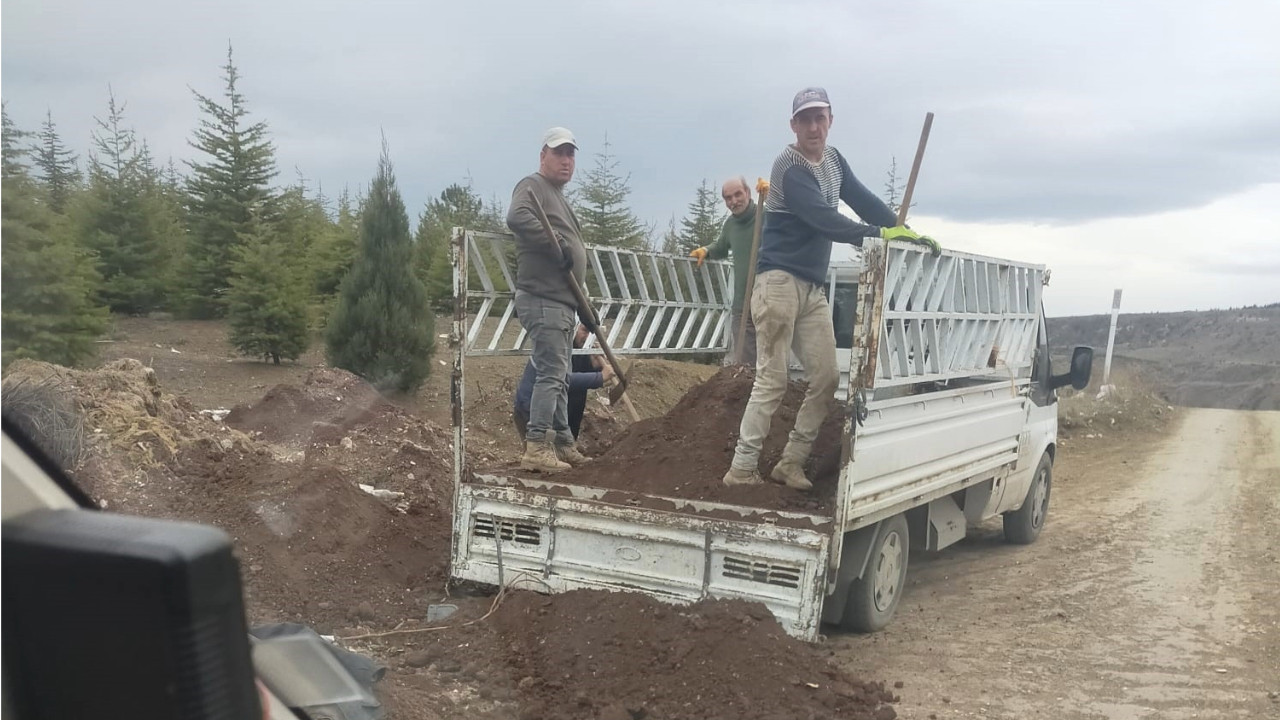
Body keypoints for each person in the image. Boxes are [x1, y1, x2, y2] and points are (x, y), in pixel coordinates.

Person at [722, 87, 939, 490]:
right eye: (805, 119)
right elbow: (824, 219)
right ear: (793, 126)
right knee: (773, 379)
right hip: (778, 284)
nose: (813, 126)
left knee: (825, 377)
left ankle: (791, 462)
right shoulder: (789, 167)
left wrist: (903, 230)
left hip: (811, 288)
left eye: (820, 117)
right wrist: (877, 235)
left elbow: (862, 199)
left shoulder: (834, 162)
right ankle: (741, 468)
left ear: (831, 120)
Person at [506, 127, 591, 472]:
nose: (566, 161)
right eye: (559, 153)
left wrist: (584, 304)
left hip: (562, 301)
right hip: (542, 298)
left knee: (562, 374)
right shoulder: (532, 186)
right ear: (543, 156)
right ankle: (537, 446)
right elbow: (516, 216)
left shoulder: (557, 195)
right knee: (553, 374)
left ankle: (563, 442)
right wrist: (553, 240)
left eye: (571, 154)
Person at [690, 176, 759, 366]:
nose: (733, 201)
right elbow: (721, 246)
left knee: (771, 362)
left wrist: (773, 195)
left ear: (748, 193)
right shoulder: (731, 225)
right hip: (742, 306)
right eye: (728, 198)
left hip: (769, 302)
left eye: (738, 194)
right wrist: (706, 250)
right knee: (745, 364)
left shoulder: (765, 216)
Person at [513, 324, 616, 447]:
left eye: (592, 333)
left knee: (564, 453)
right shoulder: (557, 345)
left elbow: (579, 377)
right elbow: (561, 379)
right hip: (533, 409)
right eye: (585, 331)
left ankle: (567, 448)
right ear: (573, 327)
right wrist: (599, 377)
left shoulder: (581, 348)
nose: (588, 337)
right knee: (544, 453)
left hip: (563, 411)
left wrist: (594, 367)